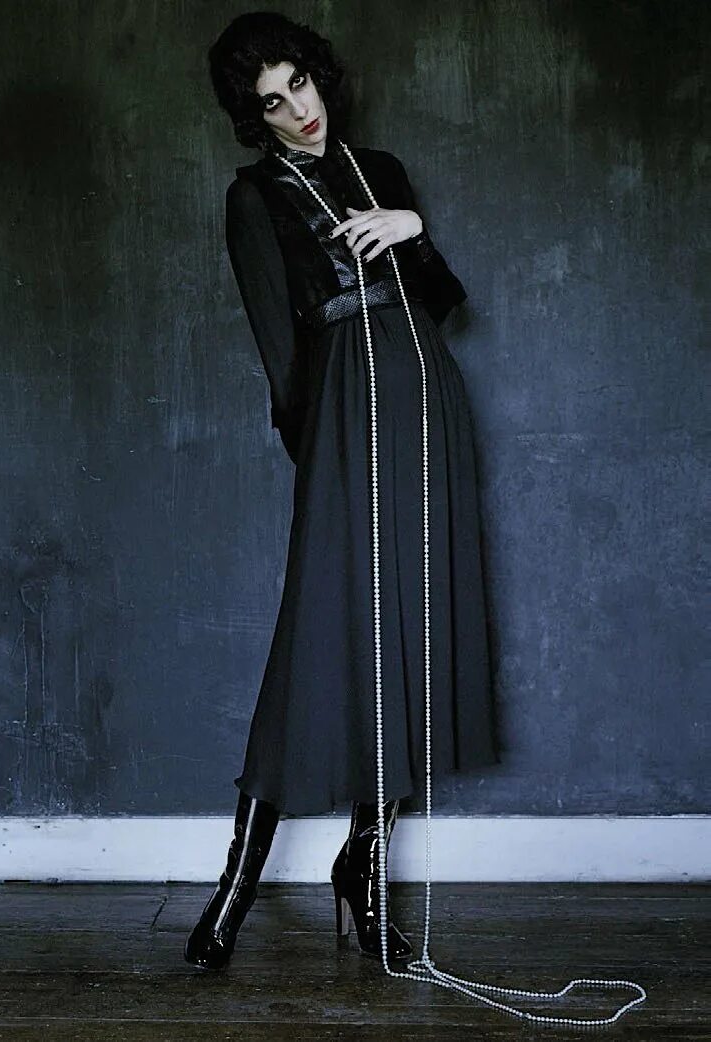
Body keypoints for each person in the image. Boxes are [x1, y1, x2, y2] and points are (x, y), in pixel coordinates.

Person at [185, 10, 499, 974]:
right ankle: (238, 883)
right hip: (342, 418)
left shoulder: (383, 171)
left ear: (319, 76)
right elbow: (279, 350)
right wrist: (317, 455)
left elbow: (442, 301)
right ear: (255, 116)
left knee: (412, 630)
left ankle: (364, 869)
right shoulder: (254, 196)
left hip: (426, 400)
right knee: (320, 636)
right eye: (272, 101)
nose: (297, 111)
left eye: (301, 84)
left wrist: (413, 228)